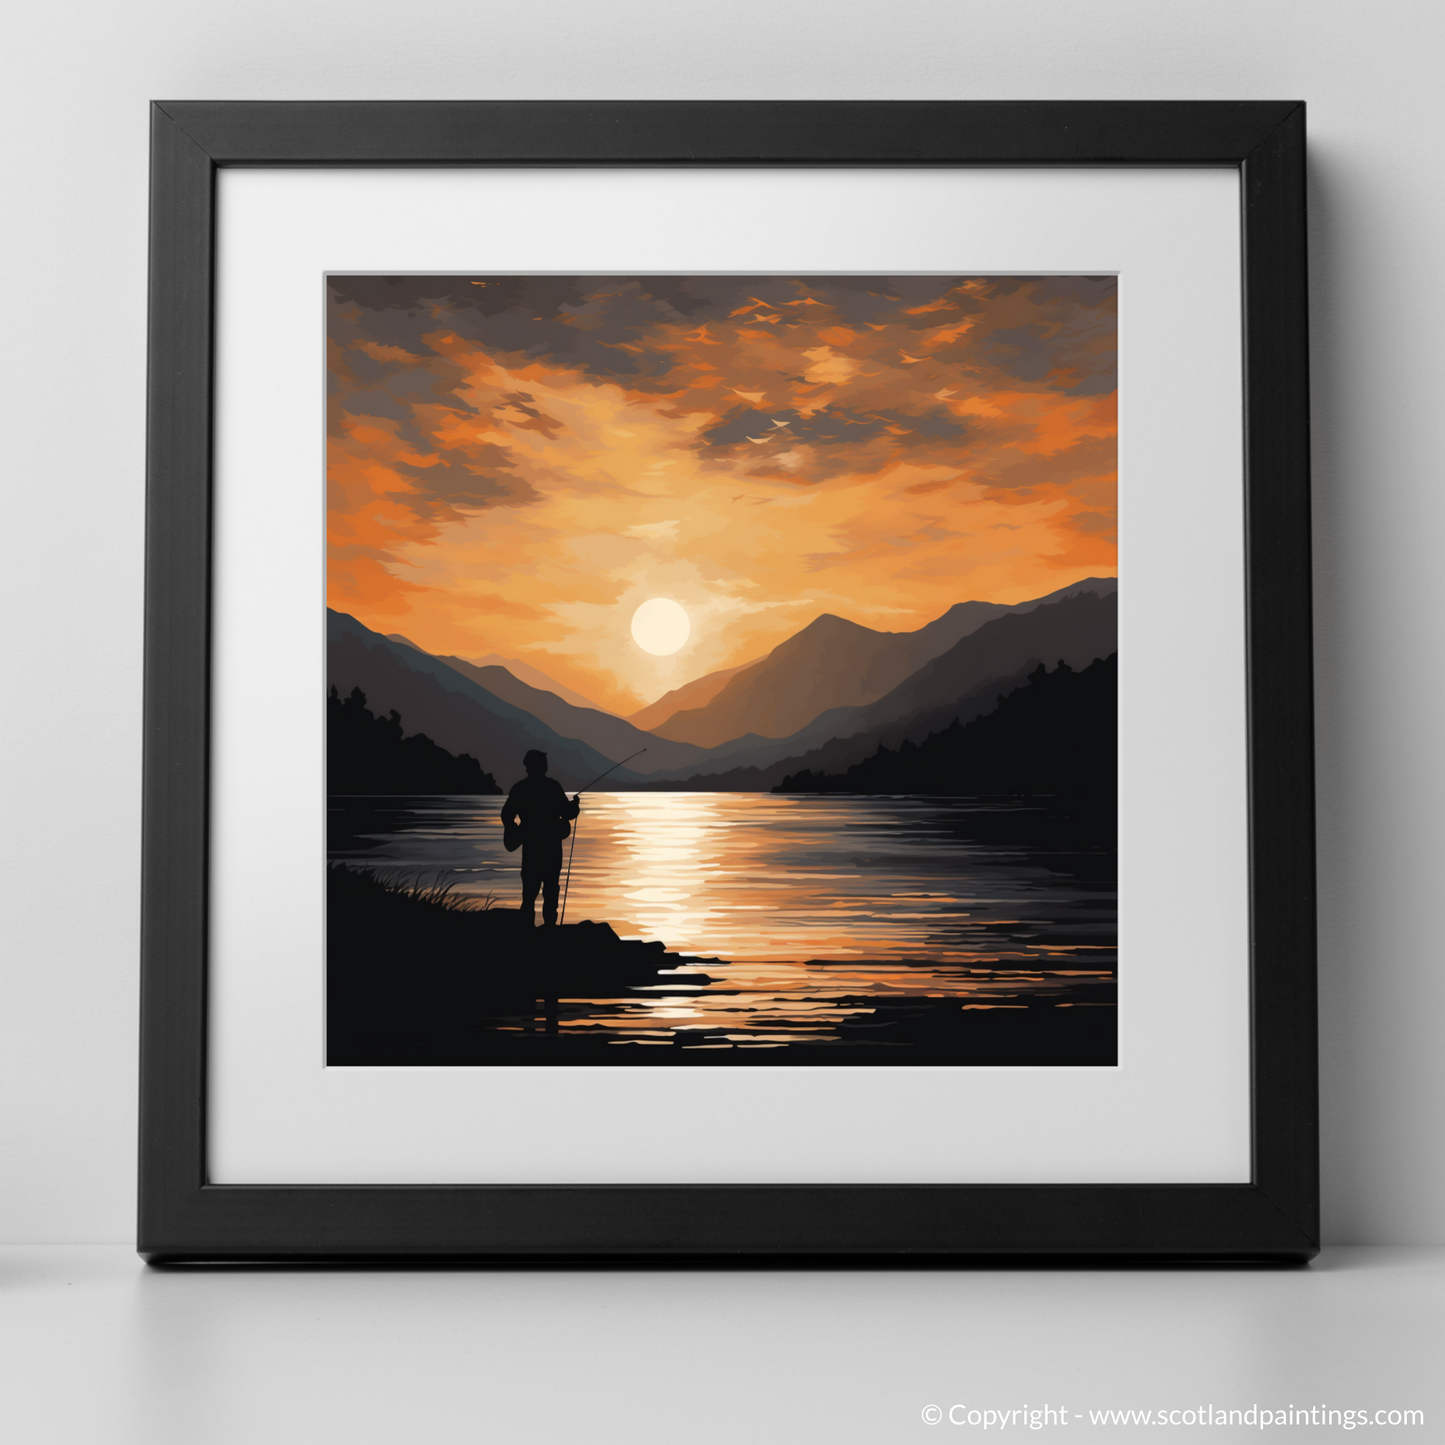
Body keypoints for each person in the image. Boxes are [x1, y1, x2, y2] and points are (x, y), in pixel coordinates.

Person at [501, 750, 580, 926]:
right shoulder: (553, 787)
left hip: (531, 847)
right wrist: (575, 806)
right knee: (551, 888)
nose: (545, 764)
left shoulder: (520, 789)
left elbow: (506, 815)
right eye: (543, 761)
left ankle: (527, 927)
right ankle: (549, 927)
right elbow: (567, 812)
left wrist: (517, 832)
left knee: (529, 891)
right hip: (551, 847)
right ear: (540, 765)